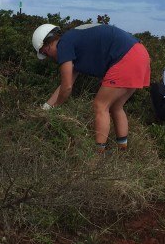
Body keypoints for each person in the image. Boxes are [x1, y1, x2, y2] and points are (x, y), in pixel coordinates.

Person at [33, 22, 150, 152]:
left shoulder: (63, 45)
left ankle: (99, 154)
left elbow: (67, 88)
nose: (50, 58)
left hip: (125, 56)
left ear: (47, 46)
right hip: (140, 53)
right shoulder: (73, 41)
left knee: (100, 105)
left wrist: (55, 108)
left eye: (45, 54)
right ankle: (122, 149)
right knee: (116, 106)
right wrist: (46, 108)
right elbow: (65, 84)